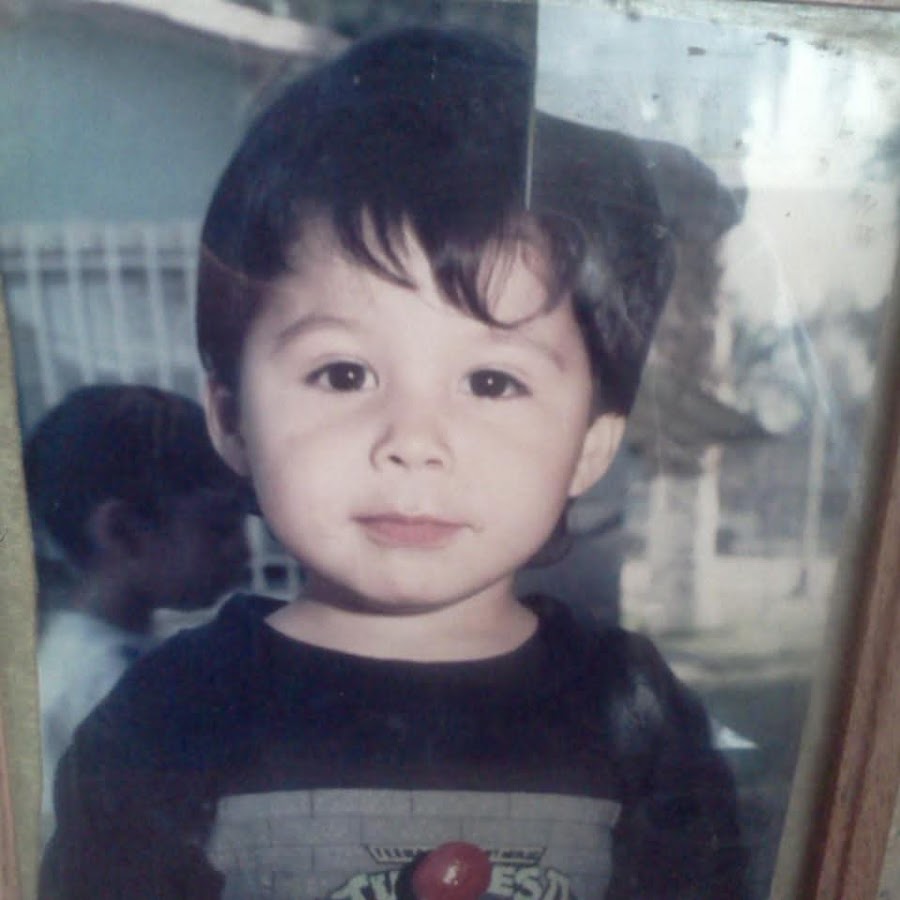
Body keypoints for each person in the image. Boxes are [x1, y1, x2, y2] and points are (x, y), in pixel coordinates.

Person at [41, 28, 745, 899]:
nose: (414, 439)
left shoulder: (633, 712)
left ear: (591, 444)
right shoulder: (170, 716)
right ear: (231, 417)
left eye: (492, 381)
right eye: (344, 374)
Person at [26, 384, 250, 840]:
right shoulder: (98, 682)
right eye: (220, 528)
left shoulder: (117, 652)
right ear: (123, 532)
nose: (244, 551)